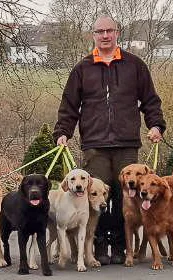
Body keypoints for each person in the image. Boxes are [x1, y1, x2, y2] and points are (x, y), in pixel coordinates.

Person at [53, 15, 166, 265]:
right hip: (95, 144)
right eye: (100, 31)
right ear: (93, 35)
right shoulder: (82, 68)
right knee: (96, 197)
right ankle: (98, 245)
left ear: (117, 33)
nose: (105, 35)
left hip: (127, 144)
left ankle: (120, 246)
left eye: (109, 31)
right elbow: (69, 105)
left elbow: (150, 100)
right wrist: (63, 132)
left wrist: (156, 125)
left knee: (125, 196)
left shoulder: (135, 65)